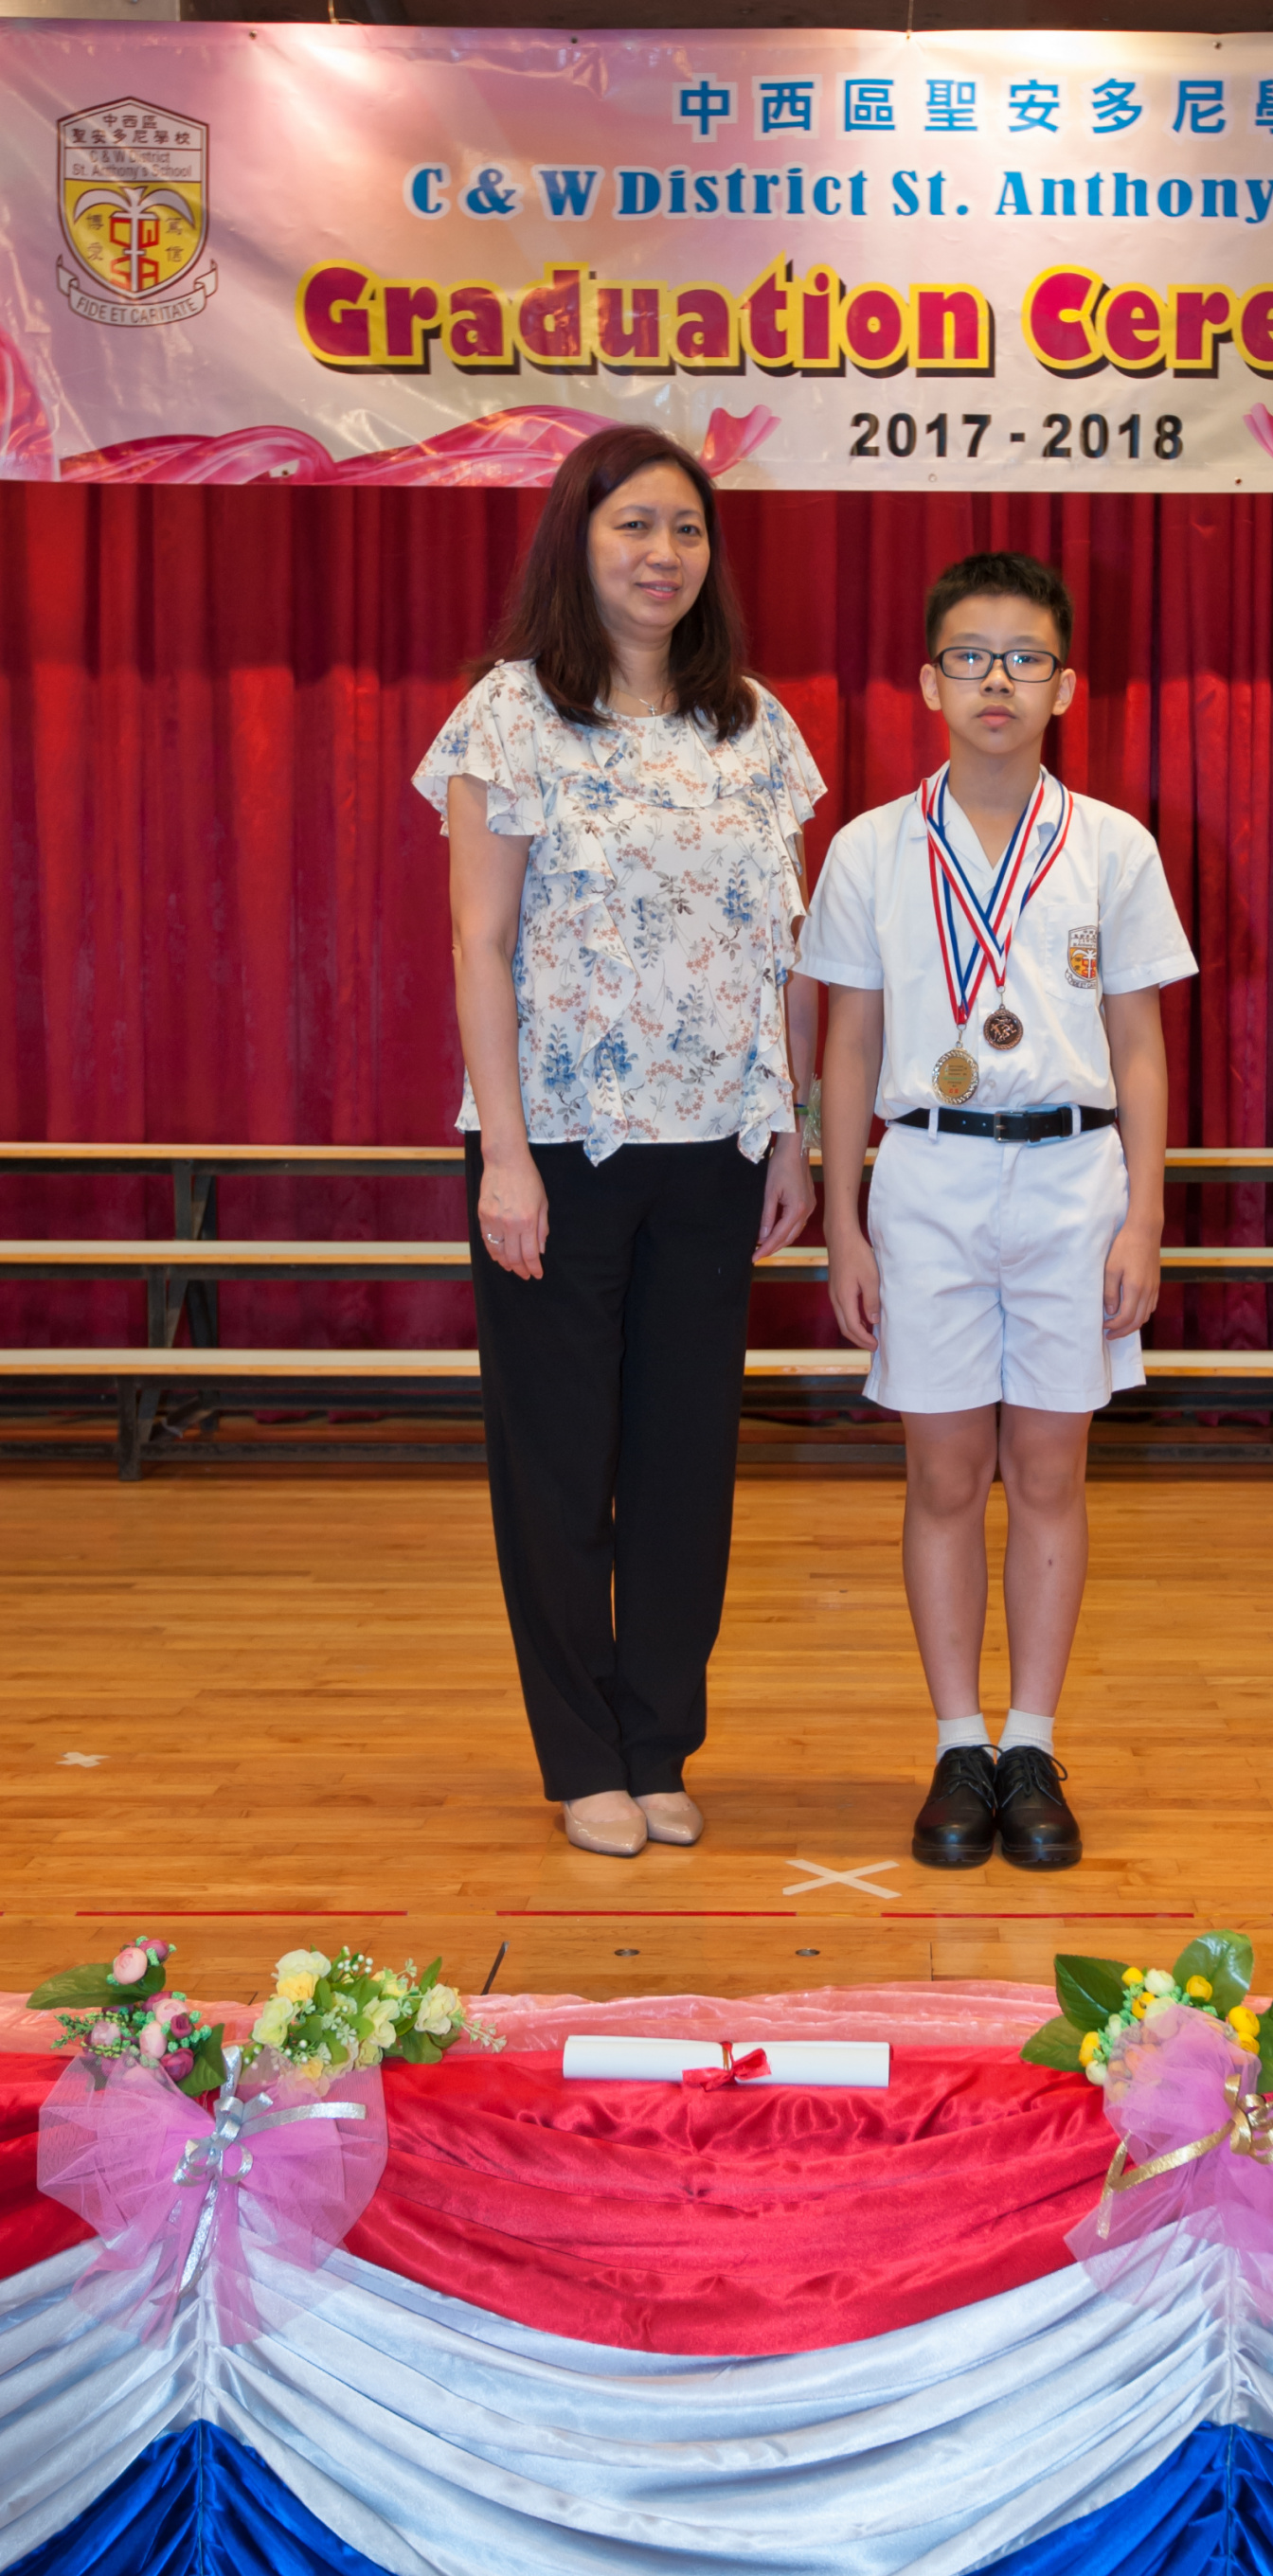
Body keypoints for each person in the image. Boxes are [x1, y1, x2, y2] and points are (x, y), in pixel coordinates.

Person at [413, 425, 820, 1859]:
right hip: (561, 1150)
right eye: (634, 525)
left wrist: (792, 1130)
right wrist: (505, 1156)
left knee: (683, 1463)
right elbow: (478, 943)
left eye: (686, 529)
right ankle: (583, 1754)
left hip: (717, 1150)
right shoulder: (510, 715)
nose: (663, 554)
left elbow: (784, 951)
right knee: (558, 1459)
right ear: (577, 541)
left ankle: (660, 1744)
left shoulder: (753, 726)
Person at [799, 551, 1196, 1871]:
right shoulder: (870, 847)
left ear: (1065, 688)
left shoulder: (1113, 845)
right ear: (928, 682)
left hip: (1075, 1180)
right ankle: (956, 1744)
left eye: (1025, 659)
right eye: (970, 656)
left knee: (1049, 1472)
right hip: (927, 1178)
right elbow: (848, 1044)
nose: (997, 681)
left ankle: (1031, 1742)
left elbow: (1139, 1046)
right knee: (943, 1474)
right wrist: (846, 1221)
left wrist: (1143, 1218)